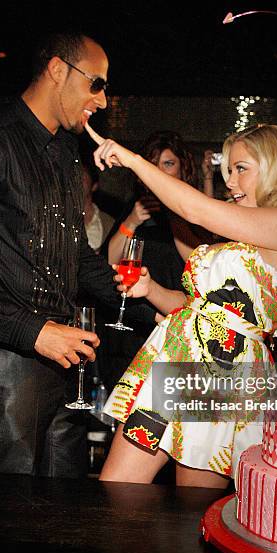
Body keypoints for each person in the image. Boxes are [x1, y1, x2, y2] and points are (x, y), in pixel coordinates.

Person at [92, 124, 277, 488]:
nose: (230, 181)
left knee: (188, 516)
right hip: (173, 363)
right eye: (228, 170)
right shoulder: (241, 233)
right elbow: (201, 306)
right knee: (117, 488)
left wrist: (133, 161)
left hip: (222, 374)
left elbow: (196, 211)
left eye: (240, 168)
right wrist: (150, 290)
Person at [0, 31, 122, 478]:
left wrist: (141, 301)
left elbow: (76, 255)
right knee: (9, 520)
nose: (102, 101)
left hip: (62, 358)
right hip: (3, 363)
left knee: (62, 511)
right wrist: (33, 332)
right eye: (97, 84)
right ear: (57, 70)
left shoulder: (67, 152)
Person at [99, 130, 215, 393]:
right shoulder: (136, 207)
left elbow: (203, 263)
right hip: (135, 322)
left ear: (184, 169)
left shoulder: (191, 213)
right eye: (153, 164)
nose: (159, 171)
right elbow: (108, 261)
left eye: (168, 163)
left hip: (176, 321)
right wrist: (131, 221)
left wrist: (174, 213)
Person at [82, 162, 115, 254]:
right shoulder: (60, 219)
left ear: (94, 186)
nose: (77, 181)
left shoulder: (108, 223)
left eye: (83, 177)